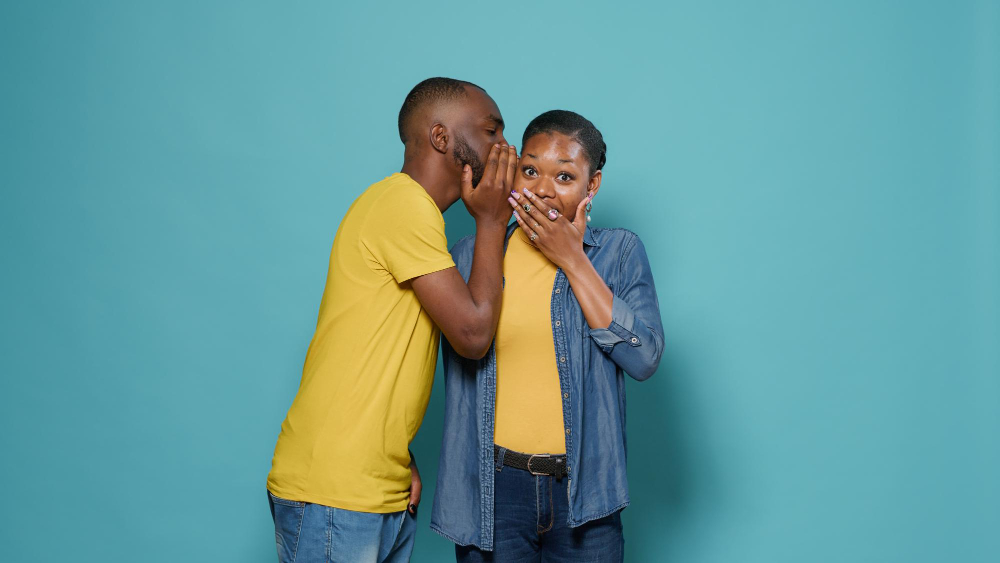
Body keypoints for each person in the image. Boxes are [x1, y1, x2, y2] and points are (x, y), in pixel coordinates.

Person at [266, 77, 517, 563]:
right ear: (441, 137)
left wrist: (397, 457)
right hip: (334, 492)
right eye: (492, 131)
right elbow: (472, 334)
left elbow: (380, 352)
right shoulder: (401, 205)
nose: (505, 148)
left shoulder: (411, 215)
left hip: (379, 486)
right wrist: (490, 222)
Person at [431, 110, 664, 562]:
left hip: (585, 491)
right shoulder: (470, 255)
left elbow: (645, 359)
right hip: (494, 491)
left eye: (564, 176)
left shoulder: (618, 254)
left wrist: (573, 260)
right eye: (531, 170)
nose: (542, 188)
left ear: (591, 186)